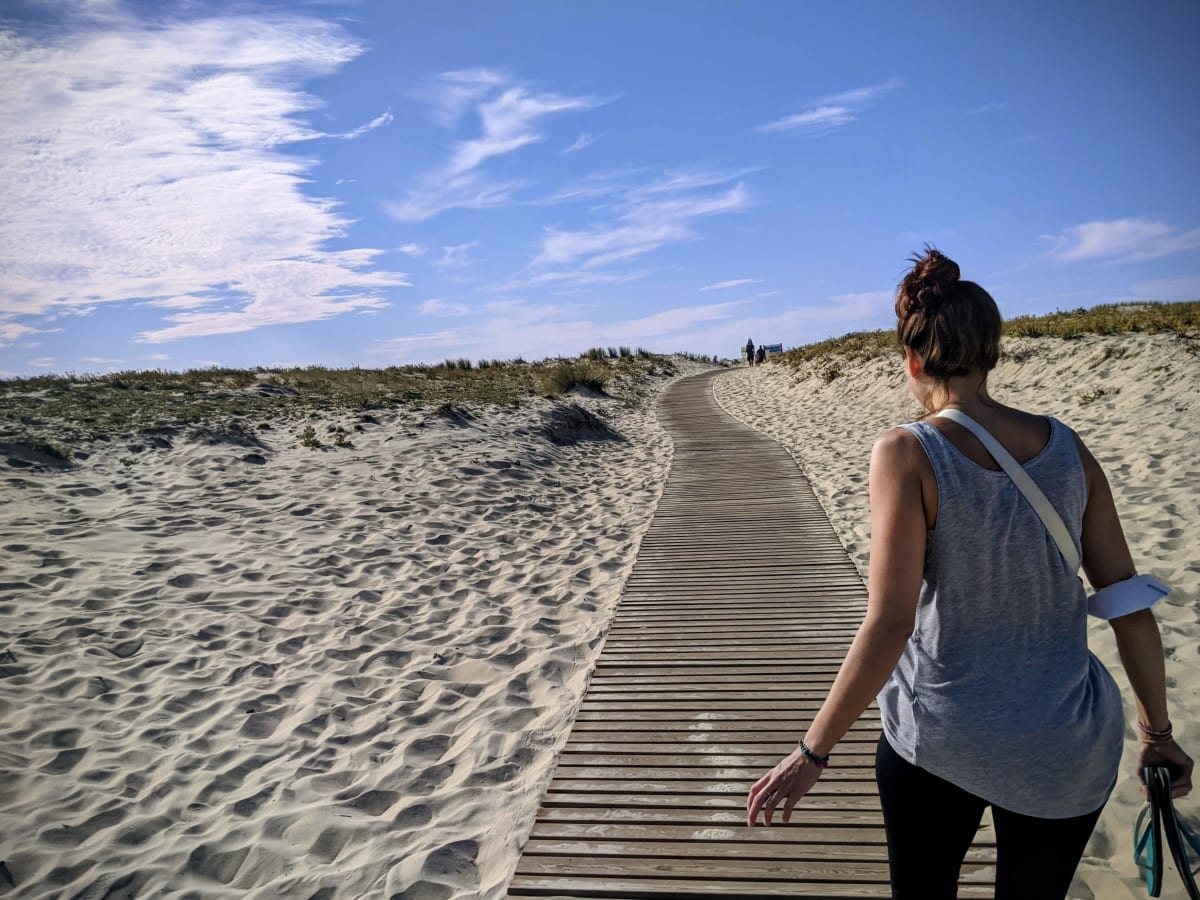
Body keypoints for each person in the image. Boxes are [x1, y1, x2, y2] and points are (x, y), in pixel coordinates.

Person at [745, 247, 1193, 900]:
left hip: (941, 739)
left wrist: (813, 752)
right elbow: (1126, 601)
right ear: (993, 353)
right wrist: (1157, 732)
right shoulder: (1068, 446)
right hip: (1066, 742)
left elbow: (892, 620)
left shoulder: (906, 451)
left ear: (912, 360)